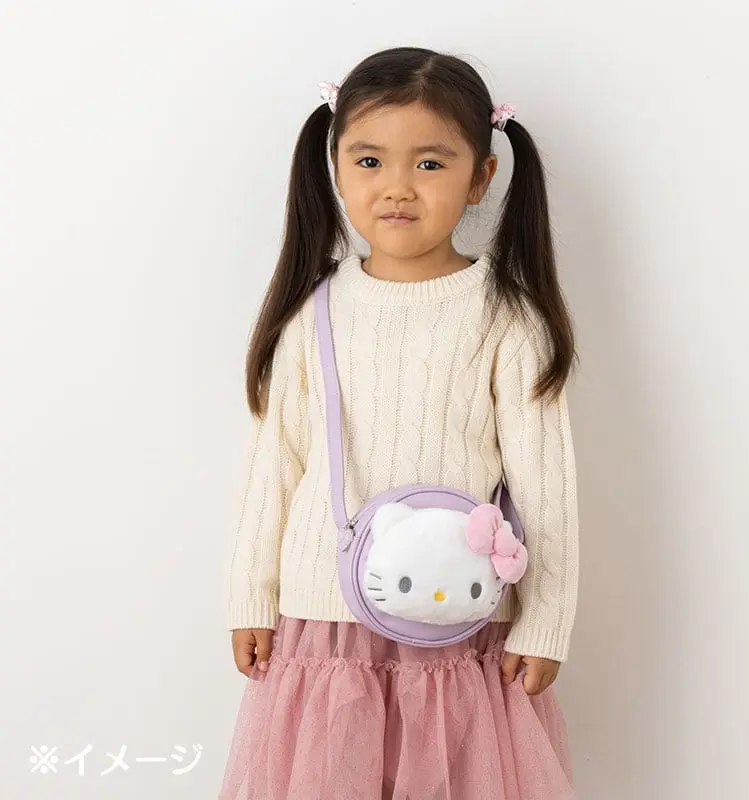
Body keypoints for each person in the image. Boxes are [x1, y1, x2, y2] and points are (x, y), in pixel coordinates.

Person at [220, 46, 580, 800]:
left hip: (459, 619)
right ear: (335, 168)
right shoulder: (312, 314)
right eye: (370, 160)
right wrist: (251, 594)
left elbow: (546, 487)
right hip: (323, 621)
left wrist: (546, 619)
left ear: (481, 176)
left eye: (430, 163)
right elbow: (274, 465)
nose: (397, 186)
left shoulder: (506, 318)